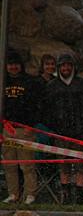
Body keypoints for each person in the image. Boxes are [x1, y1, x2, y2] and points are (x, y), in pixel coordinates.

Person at [41, 53, 83, 204]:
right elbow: (46, 111)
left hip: (81, 134)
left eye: (68, 65)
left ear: (73, 67)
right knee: (63, 165)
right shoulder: (51, 87)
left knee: (81, 166)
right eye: (63, 65)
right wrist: (54, 129)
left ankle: (79, 197)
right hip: (60, 134)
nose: (66, 68)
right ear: (59, 68)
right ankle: (65, 195)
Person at [2, 50, 42, 205]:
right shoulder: (3, 81)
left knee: (27, 164)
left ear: (21, 66)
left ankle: (30, 194)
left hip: (25, 129)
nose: (13, 67)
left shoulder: (30, 82)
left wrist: (31, 125)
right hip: (7, 129)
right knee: (9, 164)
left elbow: (36, 106)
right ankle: (13, 193)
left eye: (16, 64)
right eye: (10, 64)